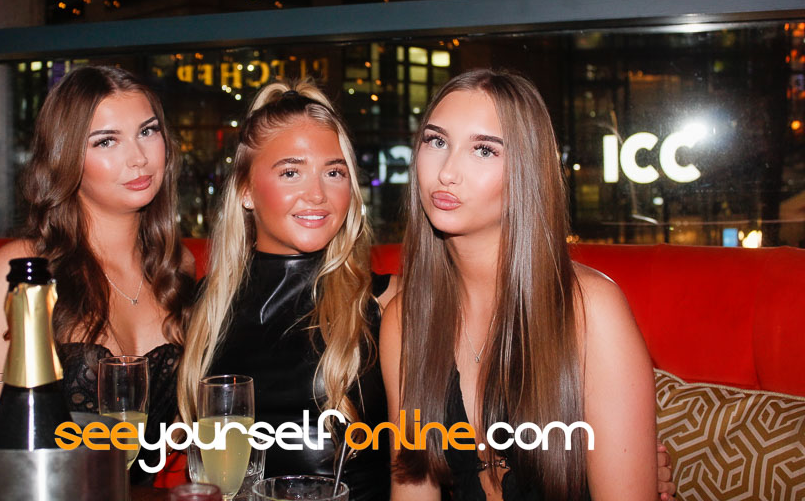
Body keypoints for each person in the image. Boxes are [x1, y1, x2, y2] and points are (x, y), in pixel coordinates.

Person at [380, 69, 659, 500]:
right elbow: (413, 489)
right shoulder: (405, 321)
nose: (447, 172)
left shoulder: (590, 309)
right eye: (436, 141)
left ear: (527, 171)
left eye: (484, 150)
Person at [0, 65, 196, 484]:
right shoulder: (24, 270)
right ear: (66, 156)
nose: (139, 158)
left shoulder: (176, 268)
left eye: (147, 131)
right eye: (106, 141)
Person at [176, 81, 394, 501]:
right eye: (291, 172)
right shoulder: (203, 308)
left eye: (334, 172)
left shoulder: (385, 304)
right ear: (245, 191)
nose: (317, 195)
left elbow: (418, 466)